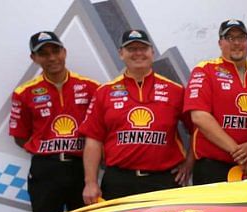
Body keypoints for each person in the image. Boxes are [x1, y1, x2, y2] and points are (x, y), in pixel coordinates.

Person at [81, 29, 191, 202]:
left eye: (143, 48)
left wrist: (189, 163)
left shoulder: (175, 90)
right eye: (132, 49)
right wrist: (90, 182)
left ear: (152, 52)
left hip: (163, 181)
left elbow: (197, 129)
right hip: (119, 181)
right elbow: (93, 140)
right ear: (121, 54)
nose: (138, 53)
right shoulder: (104, 92)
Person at [11, 31, 101, 212]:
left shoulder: (91, 87)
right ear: (34, 58)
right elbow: (20, 136)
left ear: (64, 52)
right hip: (45, 171)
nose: (52, 58)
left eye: (56, 51)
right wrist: (47, 150)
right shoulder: (24, 92)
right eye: (44, 53)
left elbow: (101, 131)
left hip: (81, 169)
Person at [184, 20, 247, 184]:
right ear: (220, 43)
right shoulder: (205, 70)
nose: (236, 43)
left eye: (241, 37)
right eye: (230, 37)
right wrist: (238, 152)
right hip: (213, 168)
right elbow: (200, 117)